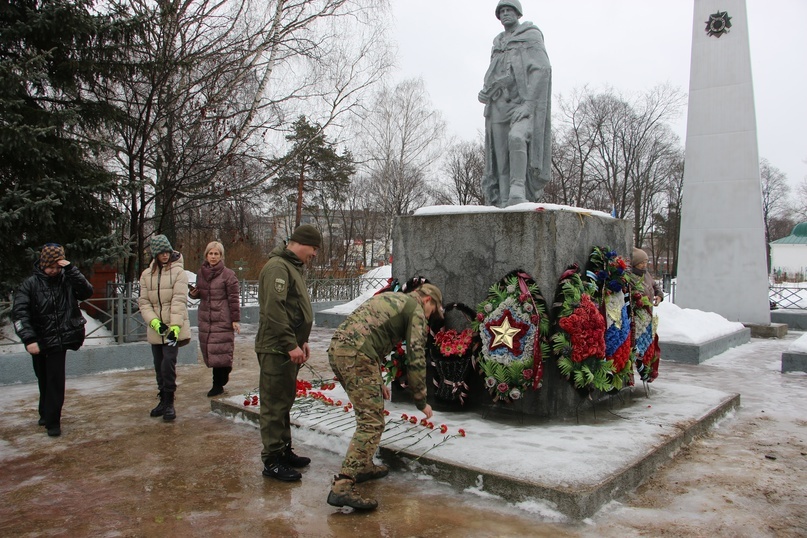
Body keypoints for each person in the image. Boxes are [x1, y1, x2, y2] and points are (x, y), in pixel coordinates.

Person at [325, 283, 443, 511]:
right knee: (371, 422)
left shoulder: (392, 298)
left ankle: (363, 467)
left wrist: (377, 379)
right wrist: (421, 400)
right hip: (358, 356)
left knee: (368, 415)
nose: (431, 316)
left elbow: (368, 332)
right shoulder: (415, 309)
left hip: (338, 351)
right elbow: (416, 355)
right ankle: (342, 487)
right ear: (428, 299)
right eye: (433, 311)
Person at [255, 224, 322, 481]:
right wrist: (289, 343)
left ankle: (283, 451)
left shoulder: (291, 267)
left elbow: (294, 310)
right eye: (314, 248)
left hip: (286, 346)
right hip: (276, 348)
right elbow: (275, 309)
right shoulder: (277, 268)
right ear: (300, 243)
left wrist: (300, 341)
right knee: (273, 405)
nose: (315, 254)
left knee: (284, 401)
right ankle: (271, 460)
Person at [12, 243, 93, 437]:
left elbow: (86, 292)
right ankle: (45, 413)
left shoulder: (67, 280)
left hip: (60, 339)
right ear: (42, 264)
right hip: (39, 341)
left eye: (58, 267)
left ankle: (53, 422)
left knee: (55, 380)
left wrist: (71, 269)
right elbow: (19, 314)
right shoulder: (30, 284)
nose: (55, 271)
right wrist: (29, 339)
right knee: (44, 378)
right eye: (51, 267)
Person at [478, 0, 552, 207]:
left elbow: (543, 69)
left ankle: (518, 189)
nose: (505, 14)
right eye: (501, 11)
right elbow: (494, 73)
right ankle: (503, 198)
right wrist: (486, 92)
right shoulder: (498, 43)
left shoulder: (531, 35)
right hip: (498, 105)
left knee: (517, 137)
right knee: (500, 155)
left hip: (522, 104)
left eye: (509, 10)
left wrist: (529, 104)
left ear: (518, 13)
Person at [138, 234, 191, 422]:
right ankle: (162, 398)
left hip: (173, 328)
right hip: (156, 329)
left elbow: (179, 300)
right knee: (158, 365)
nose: (165, 256)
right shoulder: (146, 275)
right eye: (161, 253)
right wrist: (153, 322)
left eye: (167, 252)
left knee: (168, 364)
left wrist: (174, 327)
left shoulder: (179, 273)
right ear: (155, 254)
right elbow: (144, 302)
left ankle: (170, 402)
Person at [189, 241, 241, 397]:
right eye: (210, 253)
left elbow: (233, 298)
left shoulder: (228, 275)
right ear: (206, 255)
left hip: (222, 318)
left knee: (221, 351)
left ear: (221, 256)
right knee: (211, 351)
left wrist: (235, 319)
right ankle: (221, 377)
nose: (213, 257)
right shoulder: (201, 273)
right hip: (206, 317)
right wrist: (194, 293)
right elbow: (202, 293)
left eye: (216, 254)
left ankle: (217, 384)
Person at [631, 247, 662, 382]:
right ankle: (638, 366)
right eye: (641, 263)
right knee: (637, 346)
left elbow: (655, 286)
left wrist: (659, 295)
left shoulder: (646, 274)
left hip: (648, 315)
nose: (644, 265)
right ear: (635, 263)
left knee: (648, 344)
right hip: (637, 316)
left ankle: (646, 369)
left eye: (646, 262)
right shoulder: (631, 276)